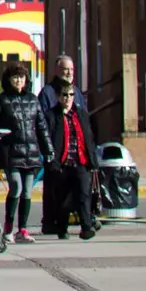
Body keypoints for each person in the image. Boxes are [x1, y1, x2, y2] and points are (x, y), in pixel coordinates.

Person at [0, 60, 50, 242]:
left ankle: (22, 229)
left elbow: (41, 127)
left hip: (31, 152)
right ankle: (8, 227)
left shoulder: (33, 99)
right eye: (15, 77)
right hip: (11, 152)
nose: (18, 81)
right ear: (9, 79)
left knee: (28, 192)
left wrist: (49, 149)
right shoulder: (2, 100)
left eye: (21, 77)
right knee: (16, 187)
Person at [41, 78, 99, 240]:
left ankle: (86, 227)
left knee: (84, 195)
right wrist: (52, 161)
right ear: (59, 97)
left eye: (71, 95)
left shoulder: (81, 114)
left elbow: (90, 137)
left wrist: (93, 160)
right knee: (63, 200)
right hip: (62, 163)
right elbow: (47, 139)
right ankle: (62, 228)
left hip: (81, 161)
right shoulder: (52, 116)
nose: (68, 98)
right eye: (65, 95)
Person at [39, 54, 89, 124]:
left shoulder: (77, 92)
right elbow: (42, 120)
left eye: (72, 69)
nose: (69, 73)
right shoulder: (46, 92)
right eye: (66, 69)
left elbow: (84, 117)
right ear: (56, 71)